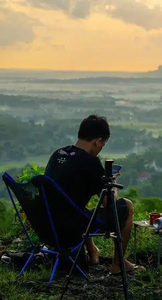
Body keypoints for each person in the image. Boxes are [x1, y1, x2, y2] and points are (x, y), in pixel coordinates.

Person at [44, 114, 145, 275]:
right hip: (70, 226)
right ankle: (119, 264)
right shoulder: (90, 162)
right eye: (102, 145)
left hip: (47, 224)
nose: (100, 149)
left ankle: (93, 252)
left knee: (77, 207)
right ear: (98, 141)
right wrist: (110, 182)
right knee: (126, 206)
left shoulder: (58, 154)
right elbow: (109, 204)